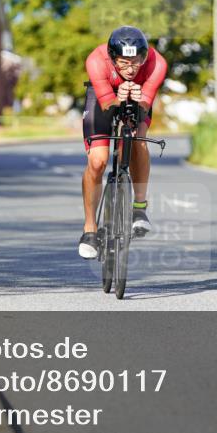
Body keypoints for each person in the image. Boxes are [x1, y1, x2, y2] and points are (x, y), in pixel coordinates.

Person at [78, 25, 167, 260]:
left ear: (144, 57)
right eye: (123, 63)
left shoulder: (157, 64)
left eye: (136, 62)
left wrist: (139, 99)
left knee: (138, 141)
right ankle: (89, 229)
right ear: (112, 57)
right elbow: (107, 105)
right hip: (103, 97)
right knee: (98, 162)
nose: (130, 69)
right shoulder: (97, 61)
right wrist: (118, 96)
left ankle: (139, 208)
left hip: (137, 99)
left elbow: (146, 106)